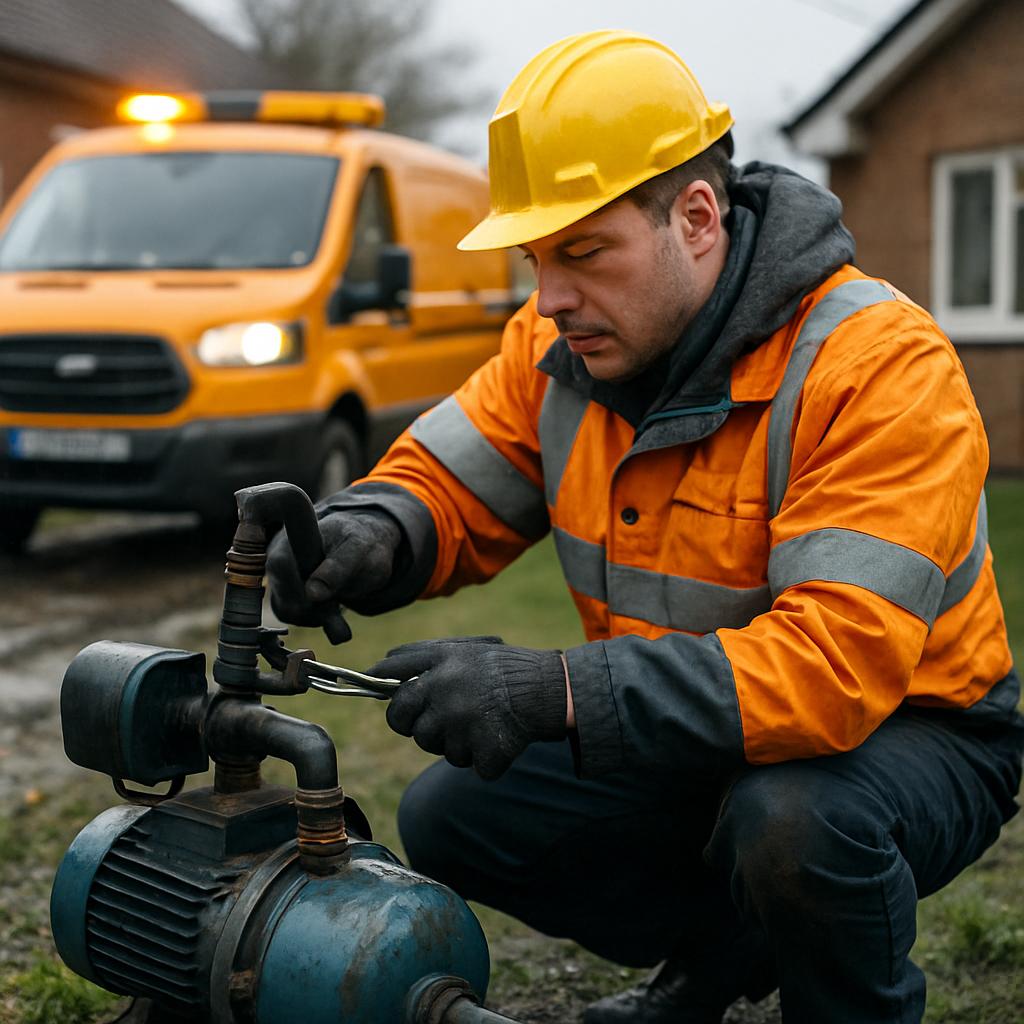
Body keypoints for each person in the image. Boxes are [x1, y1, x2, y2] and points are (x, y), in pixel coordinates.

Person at [267, 30, 1024, 1024]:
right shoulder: (562, 342)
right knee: (451, 817)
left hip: (915, 730)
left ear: (697, 217)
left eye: (582, 252)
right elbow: (449, 479)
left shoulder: (878, 368)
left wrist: (549, 688)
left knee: (792, 816)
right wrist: (370, 532)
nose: (553, 296)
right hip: (690, 720)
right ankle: (715, 959)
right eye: (537, 257)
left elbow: (832, 670)